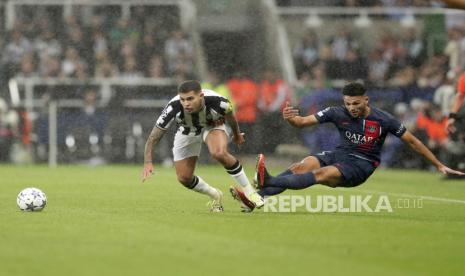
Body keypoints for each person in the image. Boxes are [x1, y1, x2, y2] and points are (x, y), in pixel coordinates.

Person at [230, 82, 464, 212]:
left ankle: (267, 181)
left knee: (320, 174)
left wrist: (439, 164)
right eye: (347, 103)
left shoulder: (384, 120)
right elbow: (302, 123)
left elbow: (414, 142)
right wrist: (292, 118)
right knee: (301, 166)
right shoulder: (336, 112)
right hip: (339, 154)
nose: (351, 107)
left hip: (361, 165)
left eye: (355, 103)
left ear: (366, 100)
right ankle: (255, 198)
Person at [141, 80, 264, 212]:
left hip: (212, 126)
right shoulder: (173, 107)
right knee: (184, 178)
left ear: (201, 96)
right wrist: (148, 161)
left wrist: (237, 134)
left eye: (190, 99)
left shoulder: (219, 102)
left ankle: (250, 192)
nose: (186, 103)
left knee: (218, 153)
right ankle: (215, 195)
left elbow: (231, 118)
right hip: (187, 131)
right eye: (183, 99)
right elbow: (153, 136)